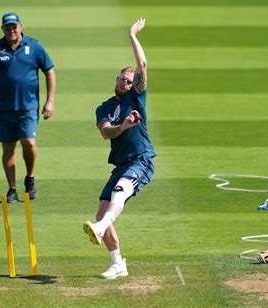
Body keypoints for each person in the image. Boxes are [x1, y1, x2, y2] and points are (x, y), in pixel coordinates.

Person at [83, 18, 155, 279]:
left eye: (130, 80)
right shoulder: (103, 108)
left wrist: (132, 34)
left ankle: (101, 227)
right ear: (116, 79)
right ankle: (118, 264)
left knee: (121, 191)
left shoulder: (136, 96)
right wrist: (123, 126)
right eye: (124, 79)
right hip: (121, 162)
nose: (127, 83)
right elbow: (105, 132)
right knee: (102, 209)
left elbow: (143, 65)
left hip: (141, 159)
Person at [0, 12, 56, 203]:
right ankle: (12, 189)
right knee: (8, 148)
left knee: (28, 143)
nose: (11, 30)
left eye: (14, 26)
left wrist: (50, 101)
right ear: (2, 29)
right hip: (3, 109)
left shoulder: (34, 46)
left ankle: (30, 178)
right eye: (7, 27)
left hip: (28, 107)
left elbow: (50, 72)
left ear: (20, 26)